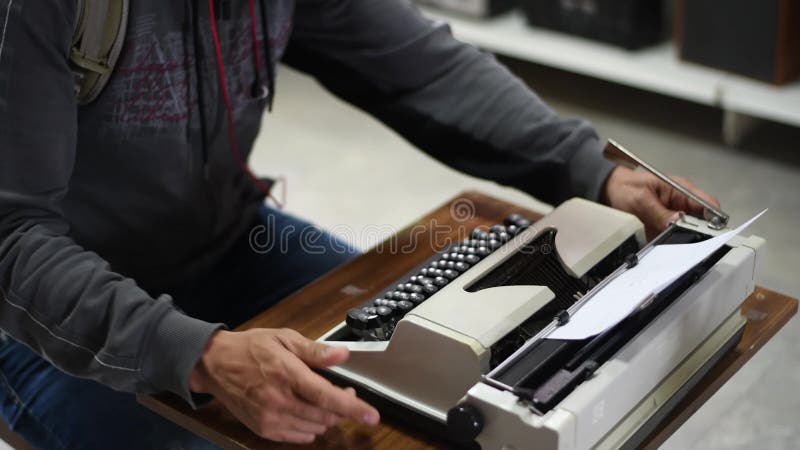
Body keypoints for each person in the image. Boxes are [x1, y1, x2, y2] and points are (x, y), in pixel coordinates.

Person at [0, 0, 720, 448]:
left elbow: (419, 68)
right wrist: (196, 352)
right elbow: (11, 240)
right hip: (41, 318)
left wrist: (591, 169)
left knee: (457, 382)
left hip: (225, 242)